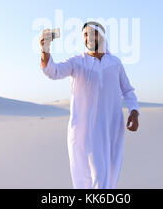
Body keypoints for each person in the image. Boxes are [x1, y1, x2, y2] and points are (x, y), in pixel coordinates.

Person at [39, 21, 140, 189]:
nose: (88, 38)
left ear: (101, 36)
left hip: (111, 128)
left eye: (92, 33)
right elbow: (53, 71)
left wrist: (134, 112)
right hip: (86, 130)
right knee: (95, 176)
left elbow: (128, 90)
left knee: (108, 173)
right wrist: (45, 50)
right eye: (85, 34)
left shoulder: (115, 63)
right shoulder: (77, 62)